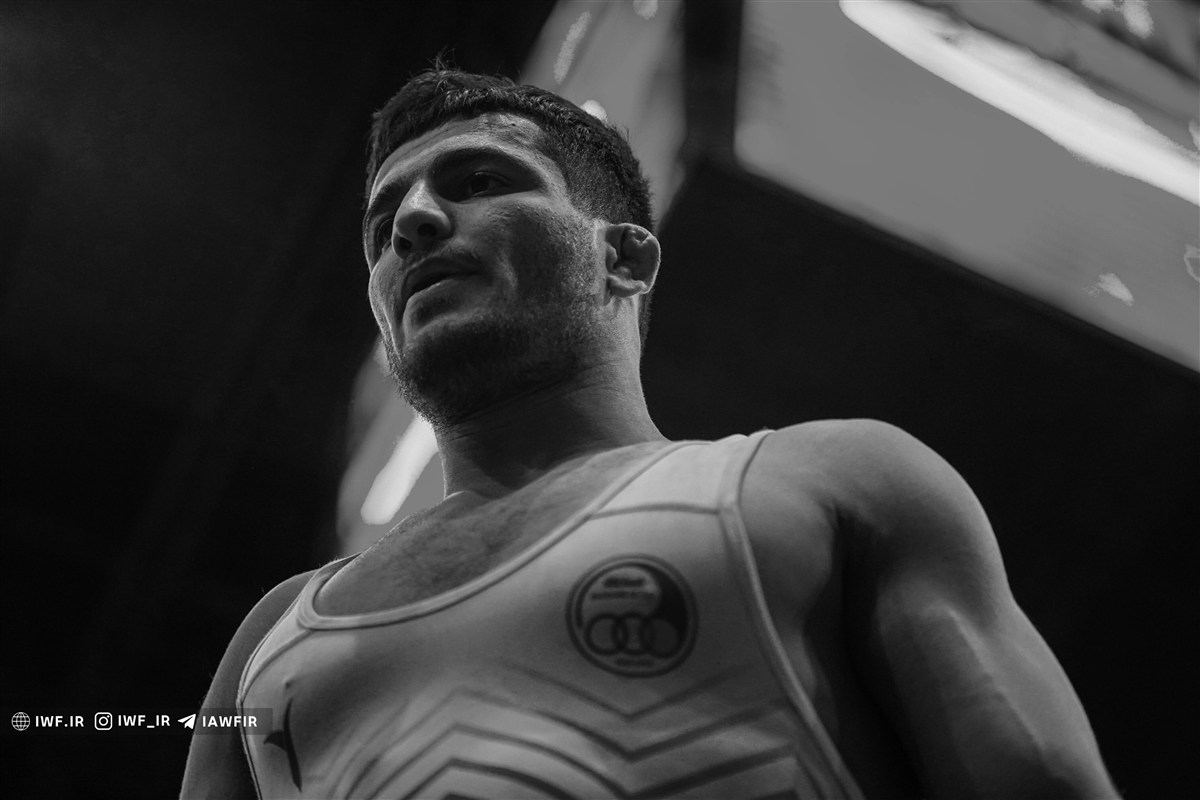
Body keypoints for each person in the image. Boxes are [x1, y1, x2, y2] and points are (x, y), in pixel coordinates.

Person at [181, 68, 1119, 799]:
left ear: (623, 256)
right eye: (384, 224)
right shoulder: (272, 637)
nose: (414, 225)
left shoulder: (839, 480)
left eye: (479, 181)